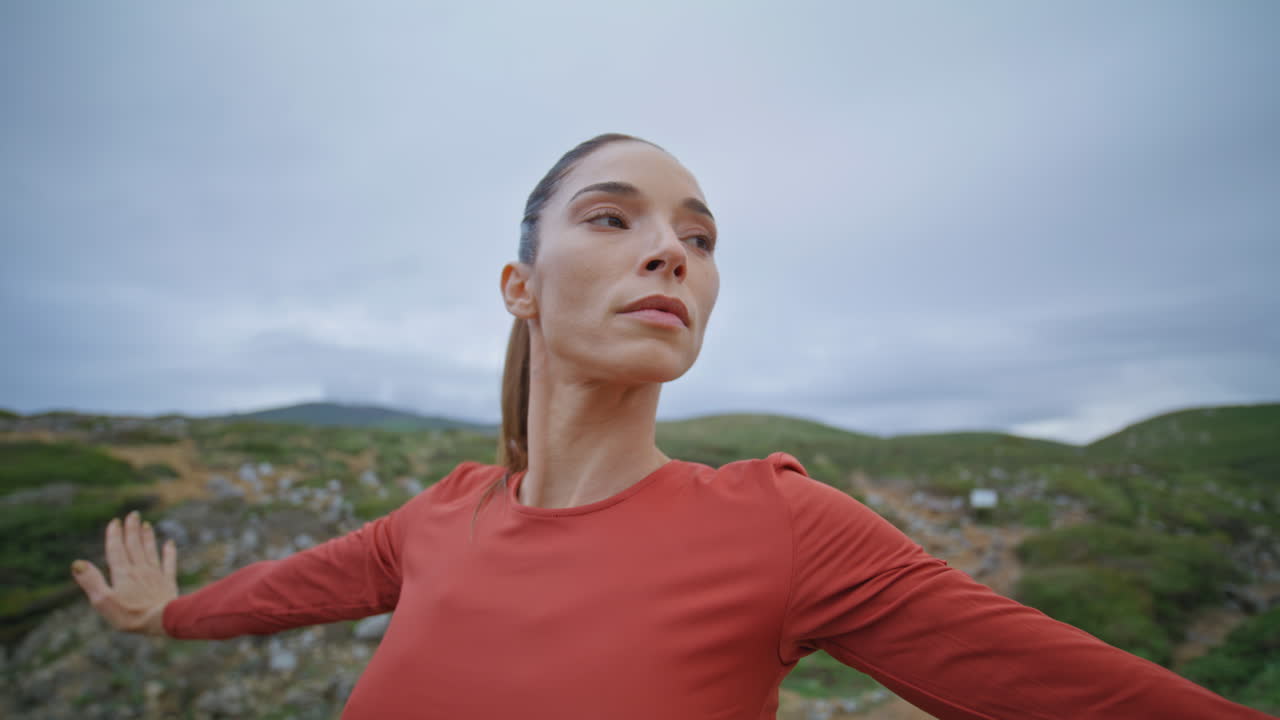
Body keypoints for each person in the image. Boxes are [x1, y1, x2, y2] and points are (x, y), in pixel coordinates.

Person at [70, 133, 1271, 719]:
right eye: (613, 217)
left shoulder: (783, 527)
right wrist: (161, 615)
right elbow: (286, 592)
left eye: (698, 239)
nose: (673, 252)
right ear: (519, 285)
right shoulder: (437, 517)